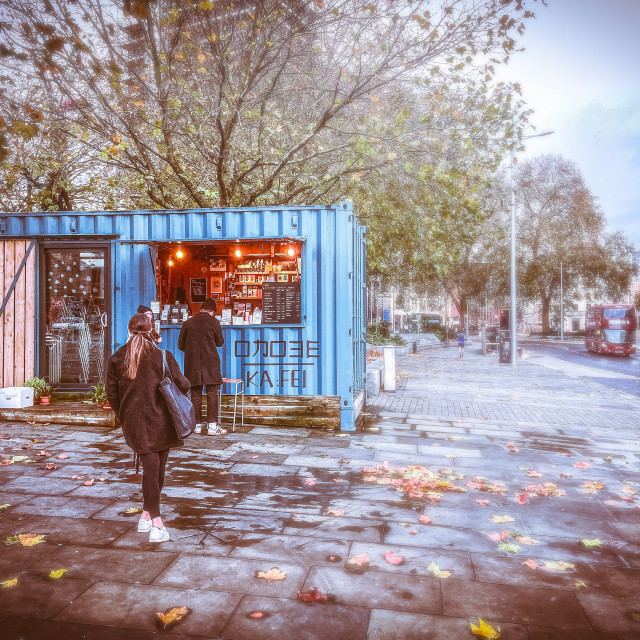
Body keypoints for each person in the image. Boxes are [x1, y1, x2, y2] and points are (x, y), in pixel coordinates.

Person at [106, 312, 190, 543]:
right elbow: (183, 384)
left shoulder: (117, 357)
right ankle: (157, 524)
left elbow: (111, 393)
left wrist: (124, 414)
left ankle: (145, 515)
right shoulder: (162, 356)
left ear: (130, 330)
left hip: (134, 423)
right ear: (151, 329)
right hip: (162, 421)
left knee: (154, 472)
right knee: (155, 472)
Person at [178, 297, 226, 436]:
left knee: (195, 394)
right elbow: (220, 342)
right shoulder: (213, 322)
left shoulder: (188, 322)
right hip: (210, 362)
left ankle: (197, 426)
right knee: (212, 393)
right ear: (212, 311)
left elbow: (180, 345)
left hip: (192, 364)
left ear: (201, 310)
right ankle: (212, 426)